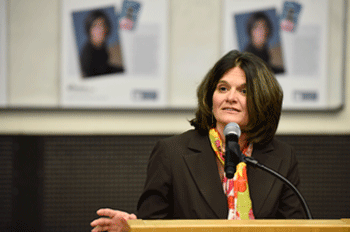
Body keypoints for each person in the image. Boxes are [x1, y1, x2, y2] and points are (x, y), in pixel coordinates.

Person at [91, 50, 305, 231]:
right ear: (211, 95)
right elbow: (154, 223)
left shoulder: (282, 157)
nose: (230, 97)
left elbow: (296, 226)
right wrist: (136, 227)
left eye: (244, 91)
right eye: (223, 88)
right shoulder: (172, 153)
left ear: (263, 99)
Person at [80, 10, 124, 78]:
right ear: (89, 30)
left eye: (103, 24)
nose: (101, 29)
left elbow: (105, 68)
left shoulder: (101, 46)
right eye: (96, 26)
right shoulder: (87, 56)